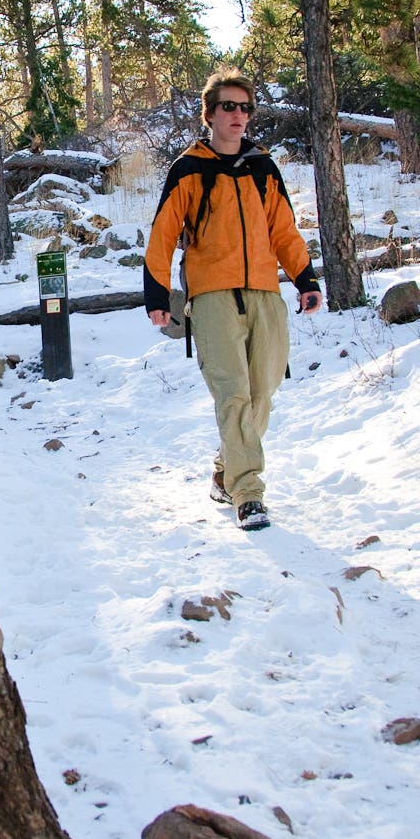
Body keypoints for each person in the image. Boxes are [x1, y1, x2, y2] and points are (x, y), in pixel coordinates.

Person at [144, 72, 322, 530]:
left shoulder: (263, 167)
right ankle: (249, 494)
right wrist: (157, 293)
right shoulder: (188, 169)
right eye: (228, 106)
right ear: (209, 114)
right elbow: (163, 234)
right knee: (233, 394)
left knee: (263, 393)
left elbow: (283, 229)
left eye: (244, 107)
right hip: (212, 297)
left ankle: (225, 470)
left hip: (264, 291)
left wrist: (305, 278)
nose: (237, 115)